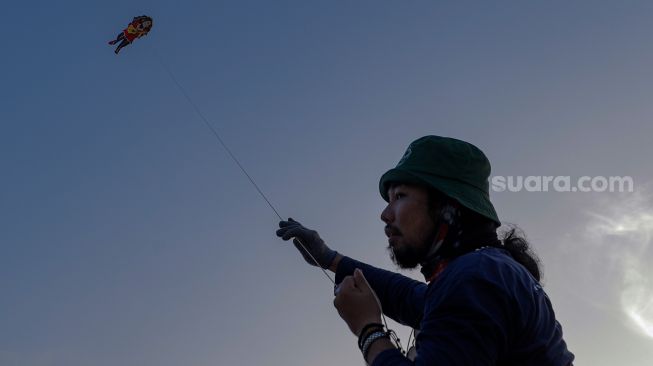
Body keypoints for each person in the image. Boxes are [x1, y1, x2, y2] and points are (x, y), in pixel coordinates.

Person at [276, 135, 574, 365]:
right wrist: (329, 258)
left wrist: (369, 330)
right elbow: (406, 296)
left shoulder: (475, 279)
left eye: (400, 196)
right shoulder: (488, 271)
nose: (385, 215)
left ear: (448, 208)